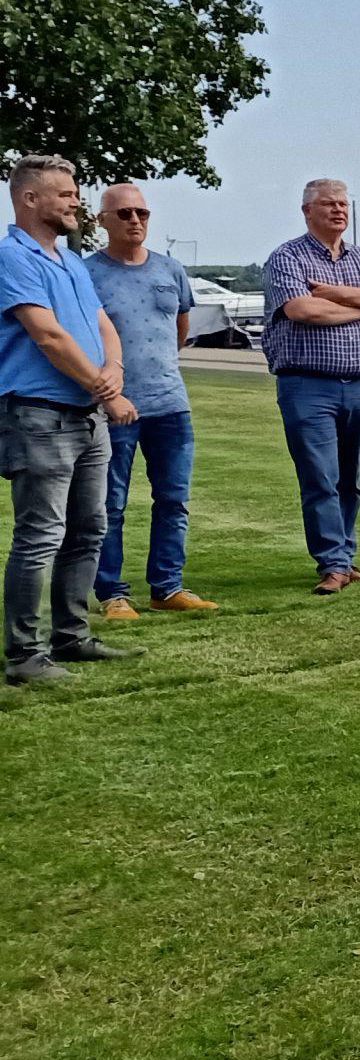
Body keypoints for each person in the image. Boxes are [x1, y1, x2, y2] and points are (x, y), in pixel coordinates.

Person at [1, 155, 143, 686]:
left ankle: (72, 637)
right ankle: (24, 655)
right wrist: (104, 390)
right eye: (65, 194)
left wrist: (114, 370)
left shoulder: (71, 261)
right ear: (29, 198)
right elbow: (47, 335)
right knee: (40, 535)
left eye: (76, 194)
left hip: (86, 417)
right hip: (39, 415)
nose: (75, 202)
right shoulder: (12, 258)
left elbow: (103, 323)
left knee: (88, 530)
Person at [262, 178, 360, 594]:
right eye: (328, 204)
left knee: (350, 480)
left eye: (343, 204)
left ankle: (345, 555)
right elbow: (303, 310)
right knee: (320, 478)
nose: (339, 210)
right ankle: (333, 563)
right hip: (308, 386)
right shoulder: (287, 257)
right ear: (307, 211)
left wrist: (339, 294)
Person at [86, 183, 217, 619]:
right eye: (123, 213)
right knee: (110, 504)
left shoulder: (170, 269)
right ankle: (112, 594)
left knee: (174, 499)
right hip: (113, 407)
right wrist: (109, 389)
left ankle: (167, 586)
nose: (135, 220)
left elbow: (179, 328)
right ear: (102, 220)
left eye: (141, 213)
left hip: (171, 405)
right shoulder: (86, 274)